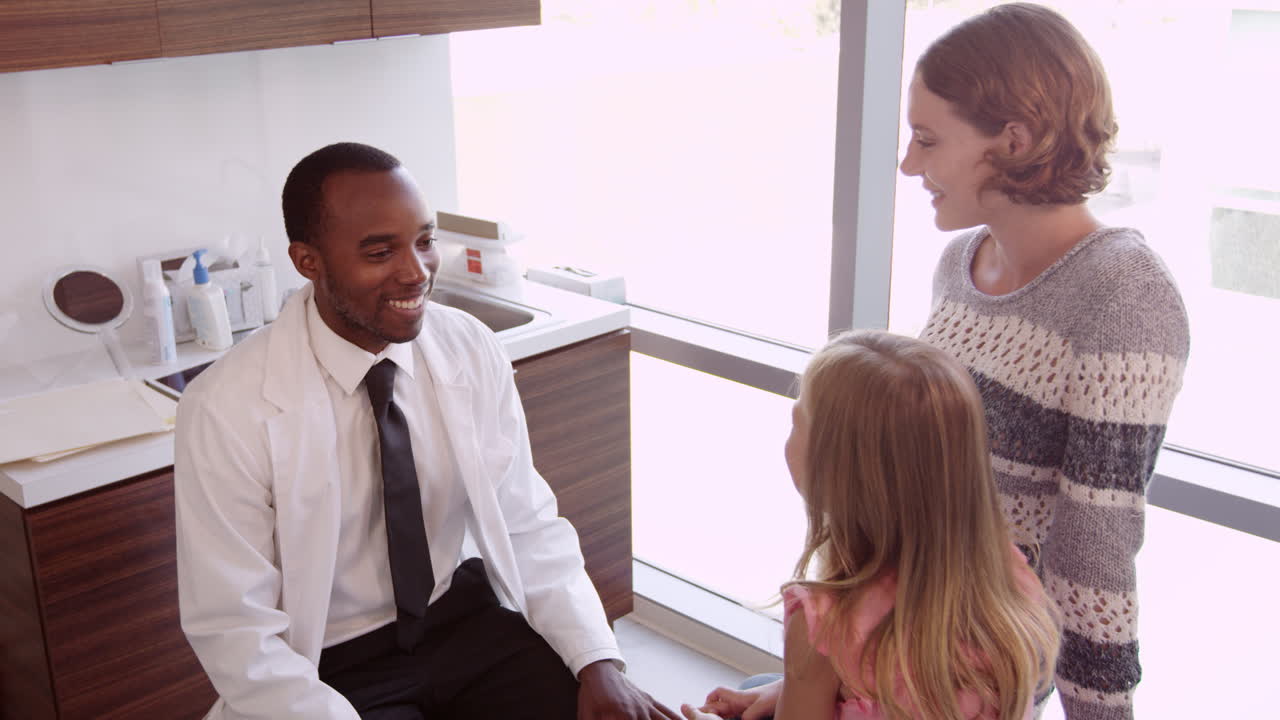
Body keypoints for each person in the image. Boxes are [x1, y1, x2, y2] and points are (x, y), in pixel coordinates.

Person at [174, 142, 679, 720]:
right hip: (325, 666)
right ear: (307, 260)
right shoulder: (225, 408)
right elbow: (235, 627)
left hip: (462, 623)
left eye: (424, 241)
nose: (416, 272)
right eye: (379, 251)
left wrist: (598, 663)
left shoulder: (468, 345)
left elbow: (527, 523)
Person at [898, 4, 1190, 719]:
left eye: (927, 140)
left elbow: (1094, 555)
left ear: (1013, 140)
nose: (909, 164)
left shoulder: (1124, 295)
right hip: (898, 643)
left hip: (972, 677)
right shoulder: (958, 263)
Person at [682, 331, 1061, 720]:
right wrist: (786, 688)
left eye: (797, 421)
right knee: (757, 686)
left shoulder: (827, 627)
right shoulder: (1011, 575)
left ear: (837, 471)